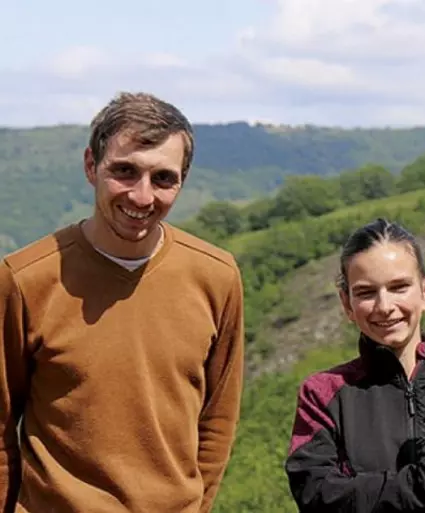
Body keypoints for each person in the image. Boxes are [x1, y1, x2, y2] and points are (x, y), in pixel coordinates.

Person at [0, 92, 245, 512]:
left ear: (182, 182)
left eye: (163, 178)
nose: (142, 196)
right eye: (125, 171)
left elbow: (217, 420)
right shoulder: (25, 279)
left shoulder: (216, 277)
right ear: (90, 166)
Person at [284, 217, 425, 512]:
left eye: (399, 287)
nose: (384, 306)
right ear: (347, 304)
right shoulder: (323, 394)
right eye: (365, 292)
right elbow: (317, 496)